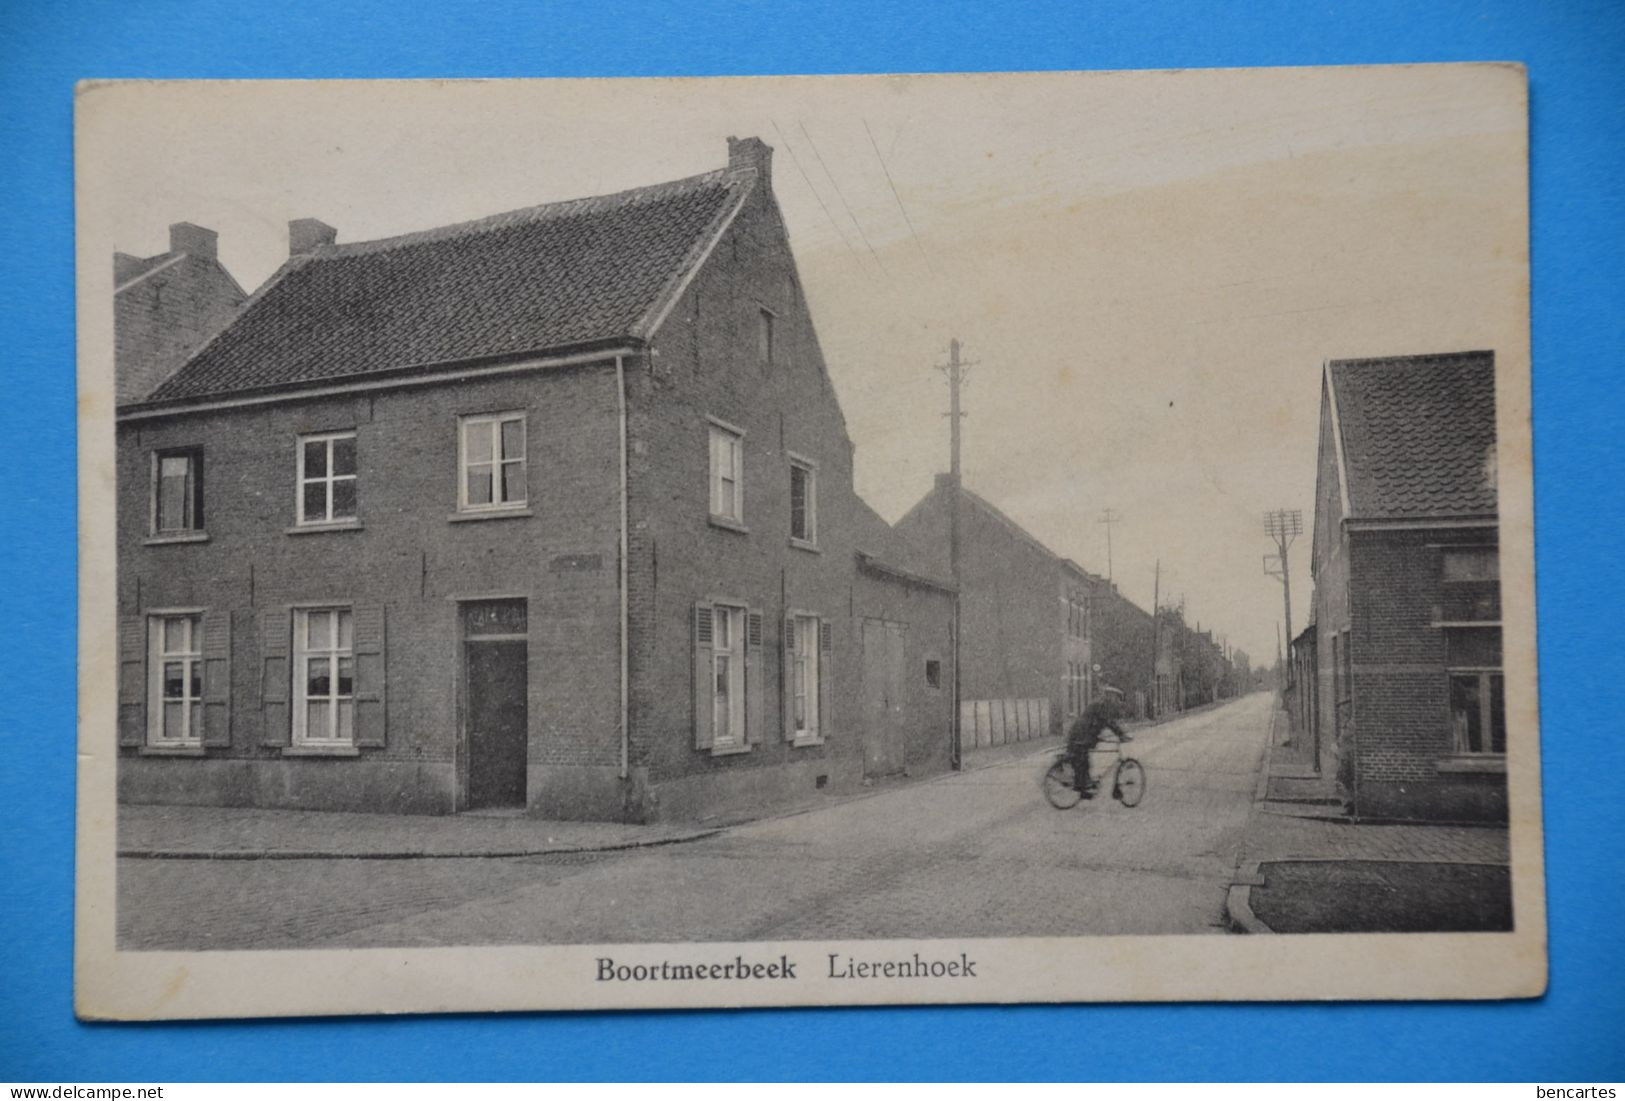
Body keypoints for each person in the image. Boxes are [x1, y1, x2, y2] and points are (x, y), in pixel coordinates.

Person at [1066, 686, 1131, 797]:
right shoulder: (1101, 706)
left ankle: (1085, 787)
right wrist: (1121, 735)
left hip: (1085, 733)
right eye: (1116, 698)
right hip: (1081, 734)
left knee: (1085, 760)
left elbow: (1110, 721)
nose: (1117, 701)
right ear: (1110, 697)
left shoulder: (1102, 705)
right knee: (1083, 760)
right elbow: (1109, 722)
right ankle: (1082, 788)